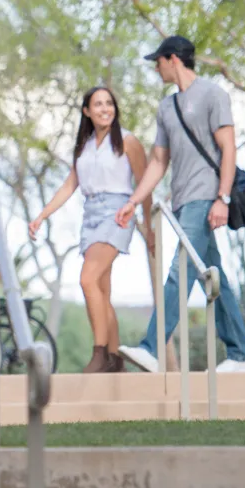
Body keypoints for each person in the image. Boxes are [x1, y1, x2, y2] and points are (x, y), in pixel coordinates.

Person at [115, 35, 245, 373]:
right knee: (214, 277)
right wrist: (134, 201)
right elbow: (159, 161)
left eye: (158, 61)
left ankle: (152, 347)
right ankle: (242, 354)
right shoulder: (166, 107)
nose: (156, 67)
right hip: (180, 203)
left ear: (173, 59)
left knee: (179, 273)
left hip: (205, 198)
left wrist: (221, 198)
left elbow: (229, 149)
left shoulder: (213, 95)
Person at [29, 87, 153, 373]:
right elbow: (69, 186)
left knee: (87, 279)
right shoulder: (83, 147)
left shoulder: (128, 141)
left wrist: (148, 226)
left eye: (109, 103)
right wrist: (42, 215)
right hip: (91, 214)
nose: (105, 109)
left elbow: (145, 185)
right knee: (100, 290)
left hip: (118, 211)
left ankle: (98, 354)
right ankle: (115, 358)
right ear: (86, 111)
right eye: (98, 104)